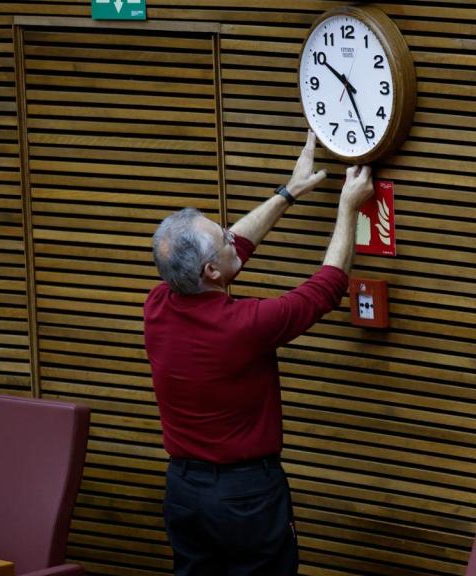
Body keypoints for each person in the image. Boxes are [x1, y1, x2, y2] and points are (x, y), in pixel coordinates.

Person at [143, 130, 374, 576]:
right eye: (223, 238)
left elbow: (235, 251)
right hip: (245, 496)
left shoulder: (158, 304)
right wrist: (348, 206)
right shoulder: (243, 326)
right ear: (210, 271)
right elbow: (324, 290)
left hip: (184, 493)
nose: (234, 237)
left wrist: (288, 192)